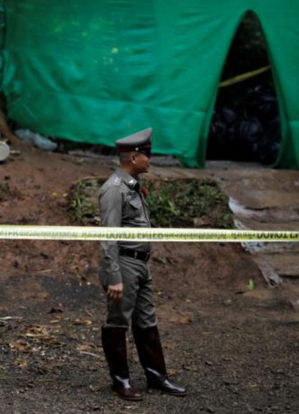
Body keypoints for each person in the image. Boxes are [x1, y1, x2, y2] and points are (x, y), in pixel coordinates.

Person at [98, 127, 186, 400]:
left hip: (141, 264)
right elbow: (107, 237)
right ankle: (120, 379)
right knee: (118, 322)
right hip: (123, 264)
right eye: (147, 155)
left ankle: (156, 376)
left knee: (147, 319)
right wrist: (114, 275)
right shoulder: (114, 190)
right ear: (134, 157)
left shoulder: (133, 187)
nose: (150, 160)